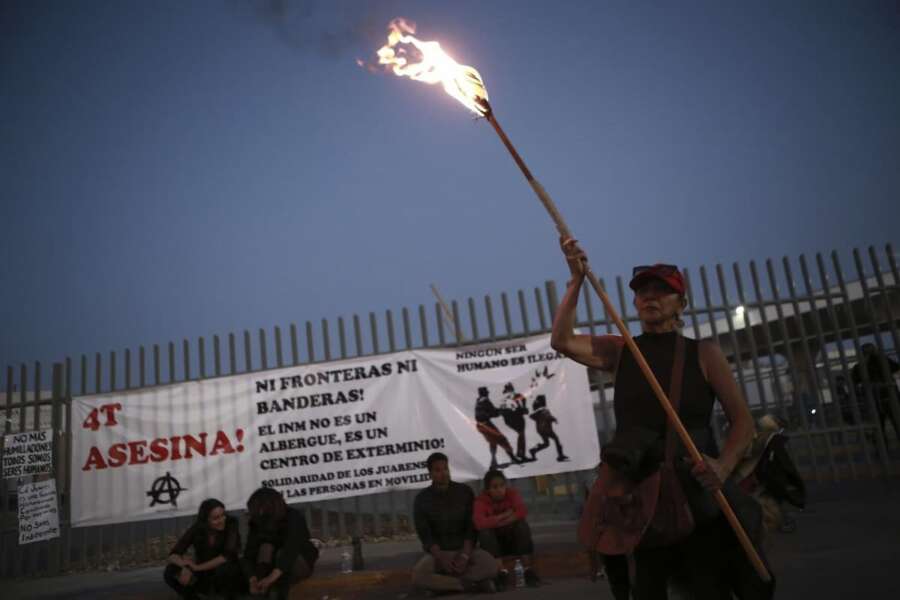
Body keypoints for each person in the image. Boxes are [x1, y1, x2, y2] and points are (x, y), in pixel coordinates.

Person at [551, 238, 764, 600]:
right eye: (643, 291)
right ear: (634, 302)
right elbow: (563, 340)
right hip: (640, 498)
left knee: (708, 588)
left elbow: (744, 423)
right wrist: (576, 281)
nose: (650, 296)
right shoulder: (622, 351)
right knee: (647, 589)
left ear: (681, 304)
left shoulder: (704, 354)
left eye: (662, 291)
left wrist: (723, 466)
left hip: (695, 495)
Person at [412, 452, 498, 593]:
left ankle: (445, 586)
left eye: (445, 469)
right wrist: (441, 558)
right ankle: (470, 585)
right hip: (438, 554)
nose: (443, 473)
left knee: (490, 566)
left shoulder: (464, 492)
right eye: (438, 470)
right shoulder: (422, 499)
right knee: (418, 575)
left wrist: (465, 555)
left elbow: (471, 527)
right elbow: (425, 534)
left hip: (464, 551)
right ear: (430, 473)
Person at [241, 487, 318, 600]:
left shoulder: (293, 517)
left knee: (280, 554)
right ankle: (261, 590)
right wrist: (252, 579)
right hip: (271, 567)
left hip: (297, 561)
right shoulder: (256, 522)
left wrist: (271, 578)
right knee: (265, 548)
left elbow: (291, 550)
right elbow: (249, 553)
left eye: (258, 509)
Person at [473, 469, 541, 590]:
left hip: (513, 541)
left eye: (502, 485)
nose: (499, 490)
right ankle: (502, 572)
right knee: (485, 533)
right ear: (488, 489)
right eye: (494, 487)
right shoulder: (481, 501)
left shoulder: (512, 493)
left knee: (521, 524)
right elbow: (479, 523)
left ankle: (528, 569)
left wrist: (497, 521)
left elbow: (521, 511)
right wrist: (504, 516)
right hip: (495, 546)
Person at [164, 498, 242, 600]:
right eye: (216, 518)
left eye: (223, 515)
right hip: (204, 574)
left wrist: (197, 567)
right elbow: (174, 554)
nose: (222, 520)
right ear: (206, 520)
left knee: (225, 569)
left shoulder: (231, 523)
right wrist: (185, 567)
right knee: (170, 571)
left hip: (226, 573)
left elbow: (227, 556)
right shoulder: (197, 528)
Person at [851, 343, 900, 442]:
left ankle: (881, 449)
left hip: (875, 398)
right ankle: (881, 447)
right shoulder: (883, 361)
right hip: (887, 396)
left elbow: (855, 382)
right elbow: (896, 368)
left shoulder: (860, 366)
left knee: (879, 427)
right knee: (894, 423)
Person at [475, 386, 520, 469]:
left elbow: (490, 411)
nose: (488, 393)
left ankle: (493, 463)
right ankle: (513, 458)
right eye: (486, 392)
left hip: (481, 425)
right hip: (486, 425)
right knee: (502, 440)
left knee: (493, 442)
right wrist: (503, 410)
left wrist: (499, 410)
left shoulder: (479, 400)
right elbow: (494, 413)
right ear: (484, 393)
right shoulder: (485, 400)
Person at [528, 394, 569, 462]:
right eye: (544, 399)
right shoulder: (542, 410)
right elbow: (547, 416)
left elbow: (546, 416)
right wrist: (553, 419)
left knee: (546, 444)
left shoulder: (540, 410)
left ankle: (533, 450)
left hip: (541, 429)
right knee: (556, 439)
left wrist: (552, 419)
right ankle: (560, 456)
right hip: (546, 429)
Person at [500, 383, 530, 461]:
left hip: (512, 419)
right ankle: (521, 454)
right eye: (511, 388)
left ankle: (520, 453)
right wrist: (523, 409)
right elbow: (513, 409)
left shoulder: (508, 397)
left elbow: (522, 399)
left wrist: (523, 407)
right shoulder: (509, 397)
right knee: (521, 435)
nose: (512, 389)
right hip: (514, 418)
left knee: (521, 435)